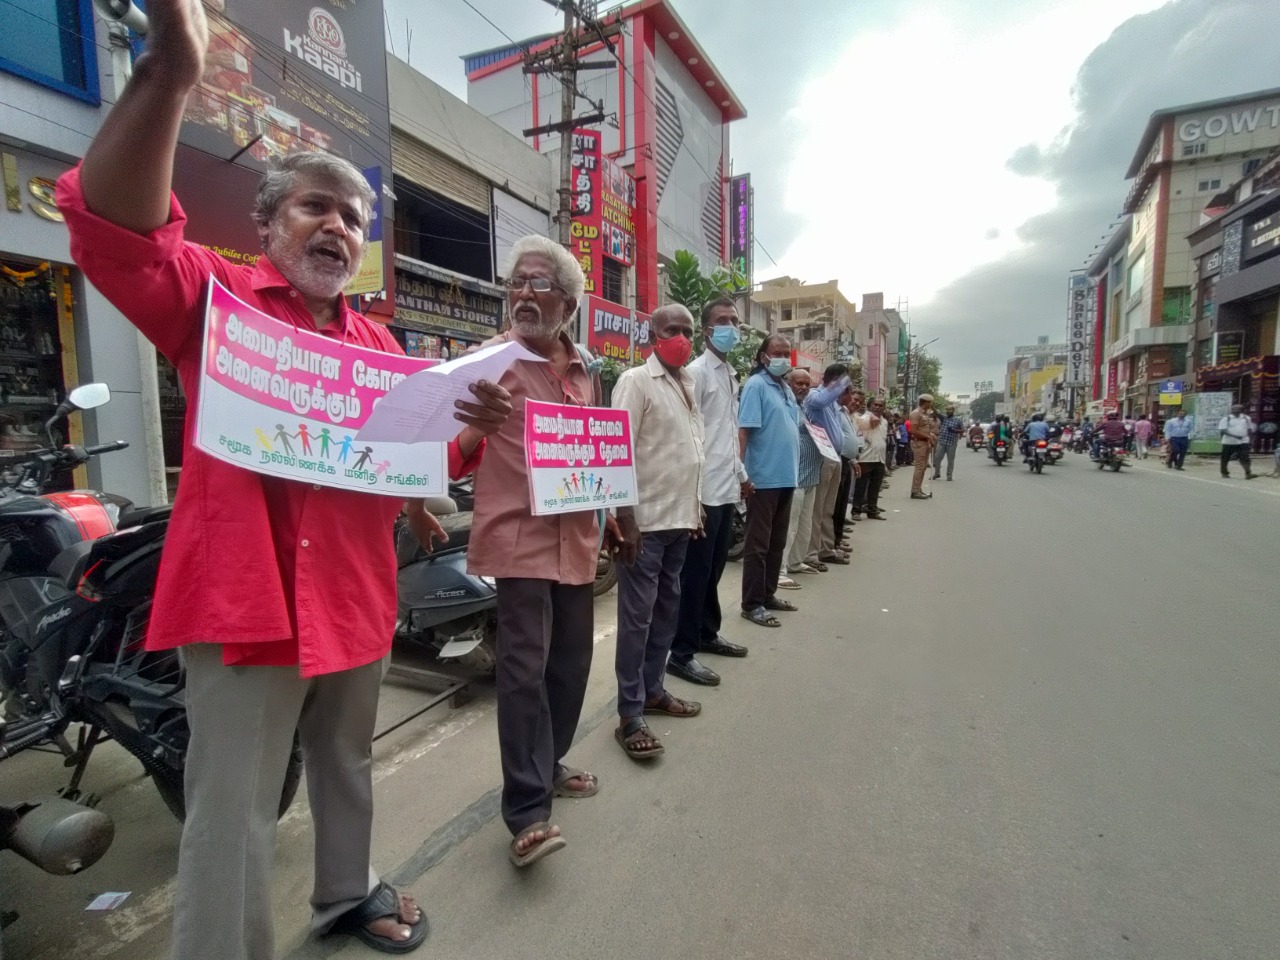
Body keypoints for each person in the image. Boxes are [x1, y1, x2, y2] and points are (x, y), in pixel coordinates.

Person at [55, 3, 516, 954]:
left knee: (346, 761)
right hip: (244, 604)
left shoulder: (383, 347)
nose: (338, 226)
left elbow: (413, 464)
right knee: (234, 809)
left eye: (353, 215)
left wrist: (472, 434)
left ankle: (347, 893)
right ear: (266, 223)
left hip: (352, 592)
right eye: (314, 205)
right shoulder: (214, 301)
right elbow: (113, 231)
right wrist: (170, 75)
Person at [469, 236, 628, 868]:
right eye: (516, 282)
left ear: (568, 300)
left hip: (578, 538)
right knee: (522, 672)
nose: (524, 294)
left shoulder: (586, 368)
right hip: (518, 538)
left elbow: (597, 455)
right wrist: (474, 426)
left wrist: (610, 511)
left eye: (538, 283)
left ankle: (551, 760)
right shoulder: (487, 361)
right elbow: (447, 448)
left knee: (570, 664)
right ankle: (527, 810)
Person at [611, 305, 706, 760]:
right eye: (673, 330)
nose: (682, 338)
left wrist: (696, 508)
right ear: (653, 334)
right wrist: (624, 519)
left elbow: (692, 452)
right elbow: (618, 451)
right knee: (637, 620)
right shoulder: (635, 381)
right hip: (644, 526)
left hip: (678, 520)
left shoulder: (687, 383)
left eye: (688, 331)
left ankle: (653, 690)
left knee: (666, 614)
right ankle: (629, 713)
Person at [669, 298, 750, 688]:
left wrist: (741, 473)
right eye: (722, 321)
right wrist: (693, 495)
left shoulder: (730, 374)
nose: (731, 327)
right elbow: (690, 434)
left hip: (725, 487)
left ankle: (706, 632)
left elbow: (725, 435)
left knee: (714, 570)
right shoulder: (697, 373)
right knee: (695, 574)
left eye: (734, 321)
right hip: (703, 492)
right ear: (705, 330)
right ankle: (680, 653)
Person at [738, 334, 800, 628]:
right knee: (758, 545)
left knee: (776, 543)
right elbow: (744, 432)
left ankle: (768, 594)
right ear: (764, 356)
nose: (783, 358)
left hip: (786, 477)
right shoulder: (756, 386)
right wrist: (742, 473)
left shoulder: (784, 388)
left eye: (787, 353)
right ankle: (752, 603)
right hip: (762, 479)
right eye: (778, 352)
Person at [803, 364, 851, 566]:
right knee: (817, 509)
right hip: (823, 458)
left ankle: (826, 548)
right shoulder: (814, 396)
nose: (844, 389)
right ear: (832, 381)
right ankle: (811, 554)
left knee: (828, 508)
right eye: (842, 383)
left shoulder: (832, 403)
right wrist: (839, 385)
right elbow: (821, 399)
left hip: (834, 457)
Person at [781, 369, 824, 581]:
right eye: (799, 383)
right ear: (789, 383)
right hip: (795, 476)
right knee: (789, 526)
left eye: (807, 384)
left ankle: (795, 562)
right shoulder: (787, 407)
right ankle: (779, 571)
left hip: (811, 476)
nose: (804, 388)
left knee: (804, 526)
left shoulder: (805, 408)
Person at [832, 390, 864, 545]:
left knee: (843, 500)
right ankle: (833, 539)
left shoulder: (848, 415)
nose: (855, 402)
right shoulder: (837, 412)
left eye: (859, 401)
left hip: (848, 460)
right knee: (836, 502)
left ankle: (838, 535)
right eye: (854, 398)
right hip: (838, 460)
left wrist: (852, 460)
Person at [852, 397, 890, 520]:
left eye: (880, 405)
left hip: (879, 459)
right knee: (861, 486)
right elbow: (858, 436)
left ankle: (872, 511)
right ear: (870, 406)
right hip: (865, 457)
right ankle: (856, 511)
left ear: (884, 408)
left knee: (875, 487)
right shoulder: (862, 420)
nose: (877, 407)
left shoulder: (884, 421)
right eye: (875, 404)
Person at [908, 394, 938, 499]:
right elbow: (914, 431)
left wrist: (931, 436)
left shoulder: (925, 414)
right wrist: (927, 436)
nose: (931, 404)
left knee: (923, 467)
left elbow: (926, 428)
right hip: (918, 443)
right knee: (920, 467)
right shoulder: (916, 413)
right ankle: (915, 491)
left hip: (925, 443)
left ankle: (918, 488)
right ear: (925, 402)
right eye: (930, 402)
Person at [1218, 404, 1257, 479]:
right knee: (1225, 458)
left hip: (1243, 441)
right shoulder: (1226, 419)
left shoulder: (1246, 418)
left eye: (1237, 409)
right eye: (1234, 409)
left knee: (1245, 457)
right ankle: (1224, 472)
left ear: (1242, 410)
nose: (1235, 410)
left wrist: (1250, 440)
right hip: (1229, 442)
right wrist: (1235, 436)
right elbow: (1223, 430)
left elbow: (1250, 429)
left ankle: (1248, 473)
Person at [933, 403, 965, 481]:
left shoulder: (958, 420)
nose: (948, 411)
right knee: (937, 458)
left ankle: (949, 475)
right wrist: (932, 405)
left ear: (953, 410)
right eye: (947, 410)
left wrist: (954, 430)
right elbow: (937, 413)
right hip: (942, 442)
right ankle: (937, 473)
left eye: (949, 410)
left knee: (950, 460)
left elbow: (963, 430)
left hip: (952, 443)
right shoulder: (944, 418)